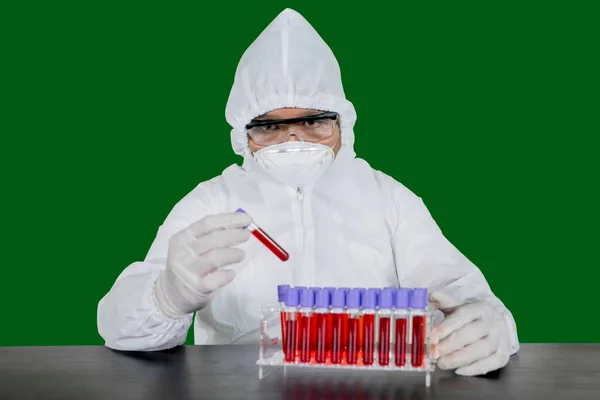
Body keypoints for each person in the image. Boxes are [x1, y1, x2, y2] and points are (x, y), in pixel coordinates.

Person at [97, 8, 518, 376]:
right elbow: (117, 325)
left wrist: (488, 324)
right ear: (244, 134)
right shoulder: (212, 201)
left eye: (314, 121)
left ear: (343, 125)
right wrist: (167, 295)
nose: (293, 138)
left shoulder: (387, 198)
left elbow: (463, 295)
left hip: (374, 387)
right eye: (270, 125)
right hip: (239, 388)